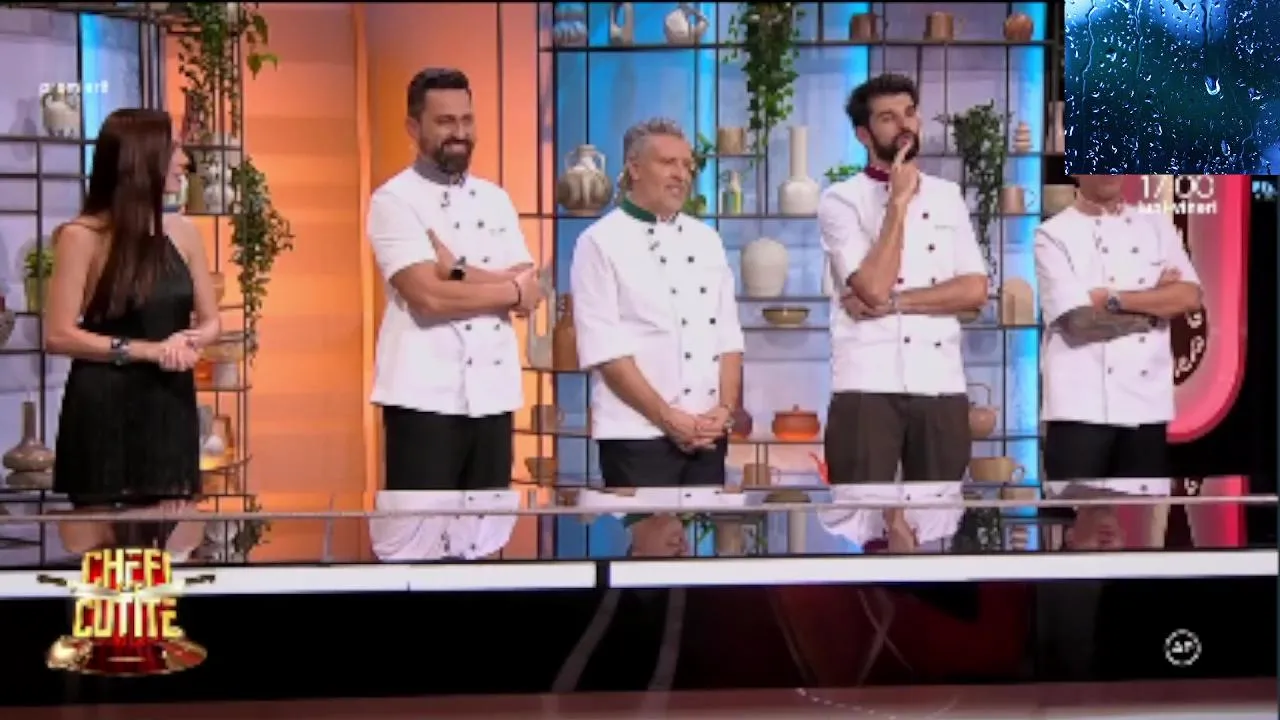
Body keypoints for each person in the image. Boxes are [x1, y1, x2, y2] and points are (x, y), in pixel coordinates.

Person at [365, 68, 545, 561]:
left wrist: (458, 271)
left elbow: (530, 291)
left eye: (467, 120)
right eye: (445, 121)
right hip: (424, 401)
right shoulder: (393, 200)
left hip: (492, 398)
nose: (460, 132)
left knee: (484, 545)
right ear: (414, 127)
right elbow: (428, 297)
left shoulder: (496, 199)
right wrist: (506, 288)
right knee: (414, 549)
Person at [816, 73, 989, 554]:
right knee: (862, 513)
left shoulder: (947, 196)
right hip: (866, 380)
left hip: (940, 380)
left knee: (936, 518)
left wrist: (895, 303)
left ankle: (926, 596)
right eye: (888, 118)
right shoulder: (840, 201)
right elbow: (870, 285)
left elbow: (975, 289)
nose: (904, 125)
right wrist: (897, 203)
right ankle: (867, 596)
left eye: (909, 113)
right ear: (864, 135)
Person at [45, 108, 220, 558]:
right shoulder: (81, 236)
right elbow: (59, 334)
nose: (184, 161)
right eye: (175, 148)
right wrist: (149, 351)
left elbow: (211, 320)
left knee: (172, 556)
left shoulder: (184, 233)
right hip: (103, 412)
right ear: (142, 158)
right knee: (102, 565)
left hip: (170, 409)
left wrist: (189, 341)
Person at [568, 117, 746, 535]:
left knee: (700, 558)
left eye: (687, 165)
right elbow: (605, 352)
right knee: (649, 555)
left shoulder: (707, 240)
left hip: (707, 434)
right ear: (634, 167)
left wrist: (724, 411)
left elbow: (729, 337)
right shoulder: (598, 243)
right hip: (637, 436)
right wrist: (667, 418)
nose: (681, 174)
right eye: (668, 163)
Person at [1034, 174, 1202, 547]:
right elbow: (1078, 323)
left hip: (1145, 408)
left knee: (1141, 534)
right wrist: (1153, 309)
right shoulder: (1053, 235)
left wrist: (1113, 299)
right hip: (1079, 410)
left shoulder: (1156, 227)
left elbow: (1188, 297)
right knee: (1076, 534)